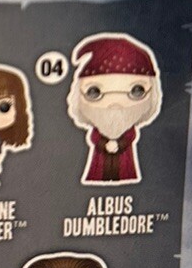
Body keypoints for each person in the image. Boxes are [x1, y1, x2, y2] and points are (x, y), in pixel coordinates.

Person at [66, 34, 162, 184]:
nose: (115, 104)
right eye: (94, 92)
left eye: (137, 91)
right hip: (100, 157)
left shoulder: (128, 128)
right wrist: (104, 144)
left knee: (125, 172)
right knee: (98, 173)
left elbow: (131, 136)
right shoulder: (98, 128)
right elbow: (94, 137)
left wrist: (119, 144)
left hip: (124, 156)